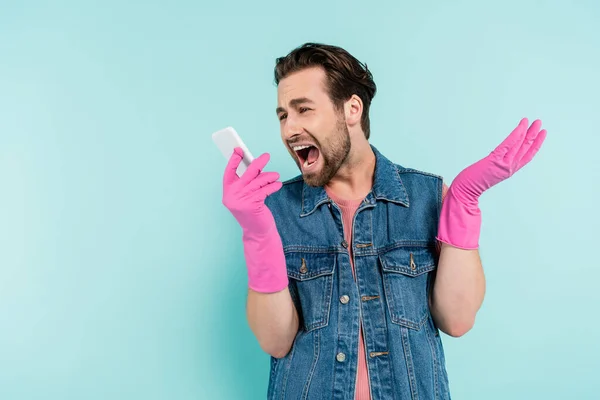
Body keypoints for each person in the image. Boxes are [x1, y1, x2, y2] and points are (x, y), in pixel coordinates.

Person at [221, 42, 546, 400]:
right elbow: (276, 341)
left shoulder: (427, 197)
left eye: (304, 110)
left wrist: (464, 201)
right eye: (283, 115)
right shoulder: (276, 209)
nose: (289, 130)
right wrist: (257, 233)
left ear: (352, 109)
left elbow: (456, 319)